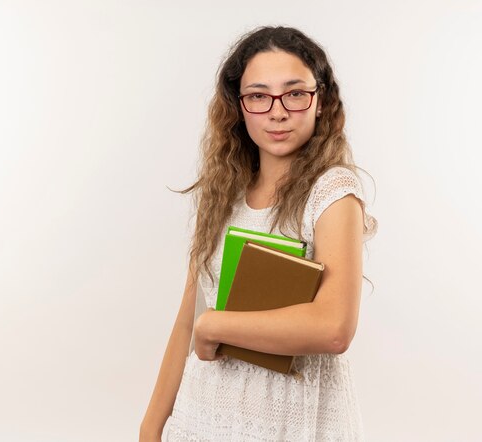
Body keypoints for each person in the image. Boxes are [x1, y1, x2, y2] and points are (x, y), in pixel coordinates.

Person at [140, 25, 378, 441]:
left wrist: (216, 327)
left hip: (291, 423)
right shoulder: (223, 193)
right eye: (258, 96)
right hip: (202, 419)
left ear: (321, 101)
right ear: (239, 106)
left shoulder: (333, 191)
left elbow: (334, 327)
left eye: (295, 92)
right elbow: (186, 324)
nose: (278, 111)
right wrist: (150, 428)